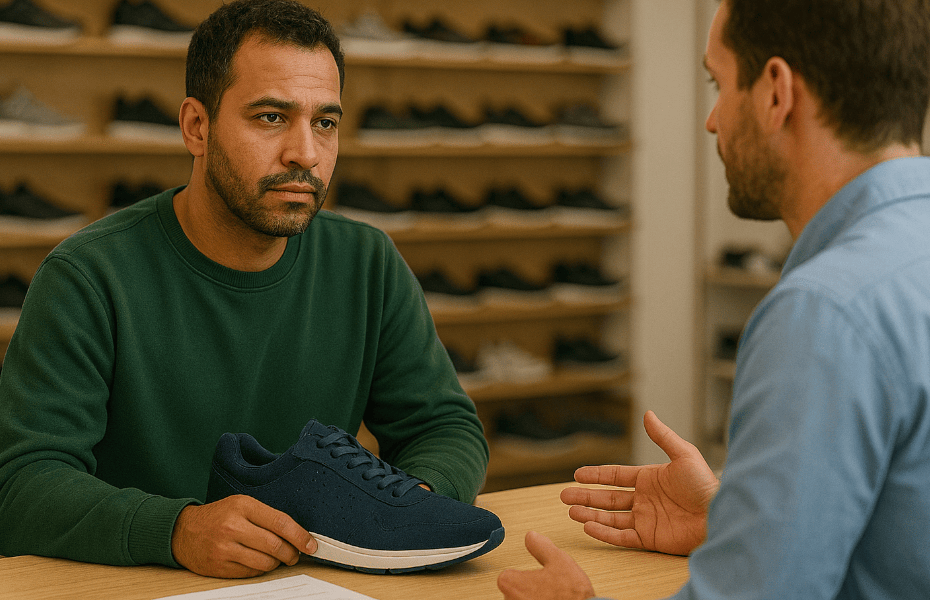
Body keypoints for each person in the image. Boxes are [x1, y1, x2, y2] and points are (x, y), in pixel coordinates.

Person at [0, 0, 488, 579]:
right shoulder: (88, 275)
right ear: (196, 127)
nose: (305, 154)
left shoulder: (367, 260)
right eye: (271, 117)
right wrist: (176, 529)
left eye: (325, 123)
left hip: (315, 582)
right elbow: (21, 486)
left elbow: (444, 427)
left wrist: (405, 502)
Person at [498, 0, 930, 598]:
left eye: (719, 84)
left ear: (776, 92)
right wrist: (741, 521)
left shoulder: (824, 313)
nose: (712, 120)